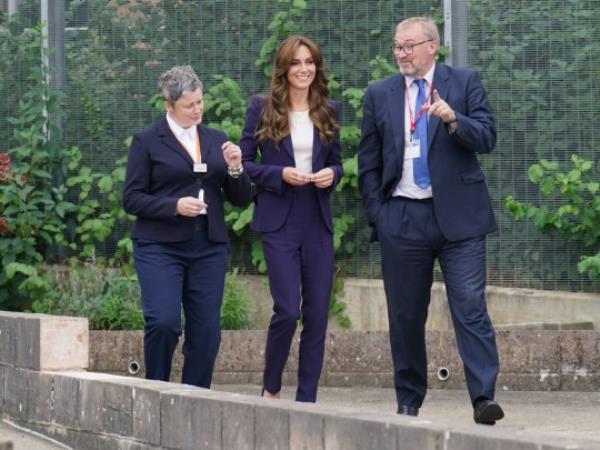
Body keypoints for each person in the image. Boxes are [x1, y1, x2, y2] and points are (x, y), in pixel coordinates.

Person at [357, 17, 504, 425]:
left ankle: (483, 398)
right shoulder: (379, 94)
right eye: (397, 46)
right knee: (405, 313)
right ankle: (408, 399)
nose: (400, 53)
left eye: (408, 46)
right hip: (402, 216)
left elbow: (488, 137)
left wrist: (453, 118)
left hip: (460, 219)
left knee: (470, 307)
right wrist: (379, 215)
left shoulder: (464, 82)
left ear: (431, 47)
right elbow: (367, 161)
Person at [123, 65, 251, 388]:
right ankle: (156, 391)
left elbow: (240, 198)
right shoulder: (147, 142)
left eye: (200, 102)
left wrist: (236, 169)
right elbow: (132, 199)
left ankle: (194, 401)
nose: (198, 110)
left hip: (208, 247)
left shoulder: (216, 139)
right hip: (160, 247)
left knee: (207, 333)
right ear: (168, 106)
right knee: (164, 323)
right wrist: (173, 206)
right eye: (189, 105)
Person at [239, 35, 342, 403]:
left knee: (316, 314)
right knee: (287, 309)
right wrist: (279, 175)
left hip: (316, 218)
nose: (304, 70)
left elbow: (336, 161)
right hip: (279, 220)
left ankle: (307, 400)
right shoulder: (261, 108)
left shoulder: (329, 109)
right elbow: (246, 164)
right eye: (296, 63)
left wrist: (334, 174)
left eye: (310, 62)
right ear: (283, 68)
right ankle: (271, 387)